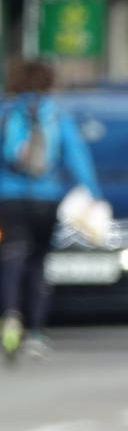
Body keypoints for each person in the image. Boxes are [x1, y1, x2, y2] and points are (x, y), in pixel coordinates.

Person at [0, 59, 102, 362]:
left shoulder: (6, 113)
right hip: (47, 199)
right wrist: (93, 196)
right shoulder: (57, 116)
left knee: (10, 259)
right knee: (38, 263)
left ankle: (9, 316)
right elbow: (77, 159)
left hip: (9, 199)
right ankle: (36, 331)